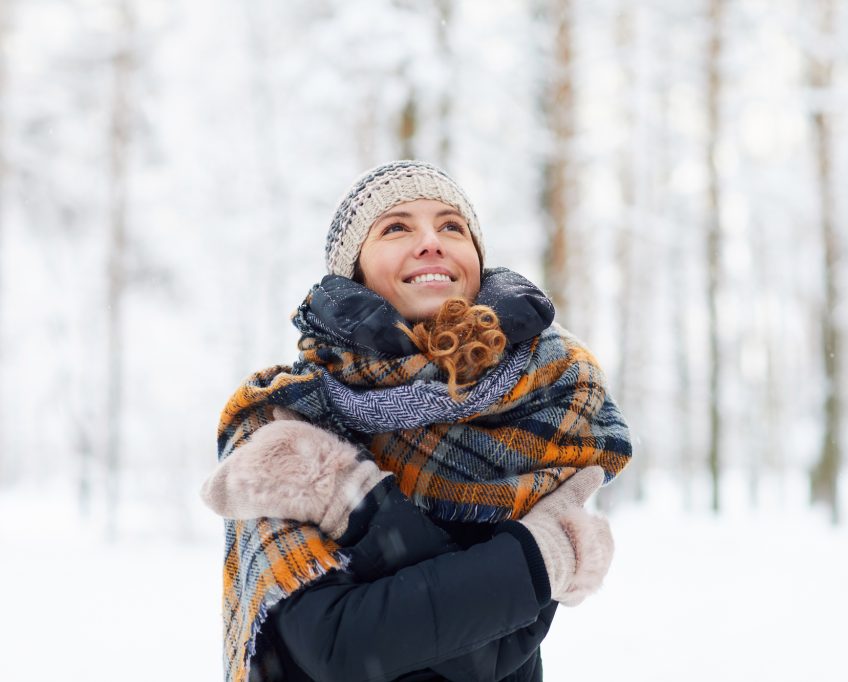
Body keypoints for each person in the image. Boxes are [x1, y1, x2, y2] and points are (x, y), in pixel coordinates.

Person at [201, 160, 632, 682]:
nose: (432, 241)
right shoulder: (283, 415)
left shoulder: (541, 403)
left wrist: (353, 502)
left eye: (452, 226)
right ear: (353, 271)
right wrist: (538, 560)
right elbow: (338, 645)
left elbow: (494, 657)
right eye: (396, 227)